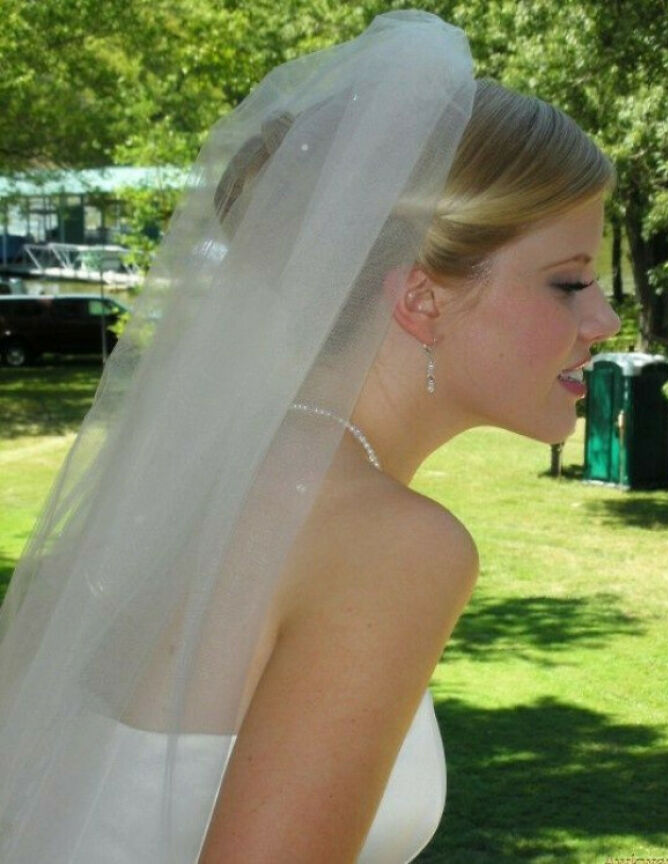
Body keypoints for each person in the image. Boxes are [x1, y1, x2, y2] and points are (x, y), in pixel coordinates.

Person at [0, 10, 620, 864]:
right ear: (423, 299)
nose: (606, 317)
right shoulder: (393, 543)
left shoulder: (218, 477)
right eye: (570, 283)